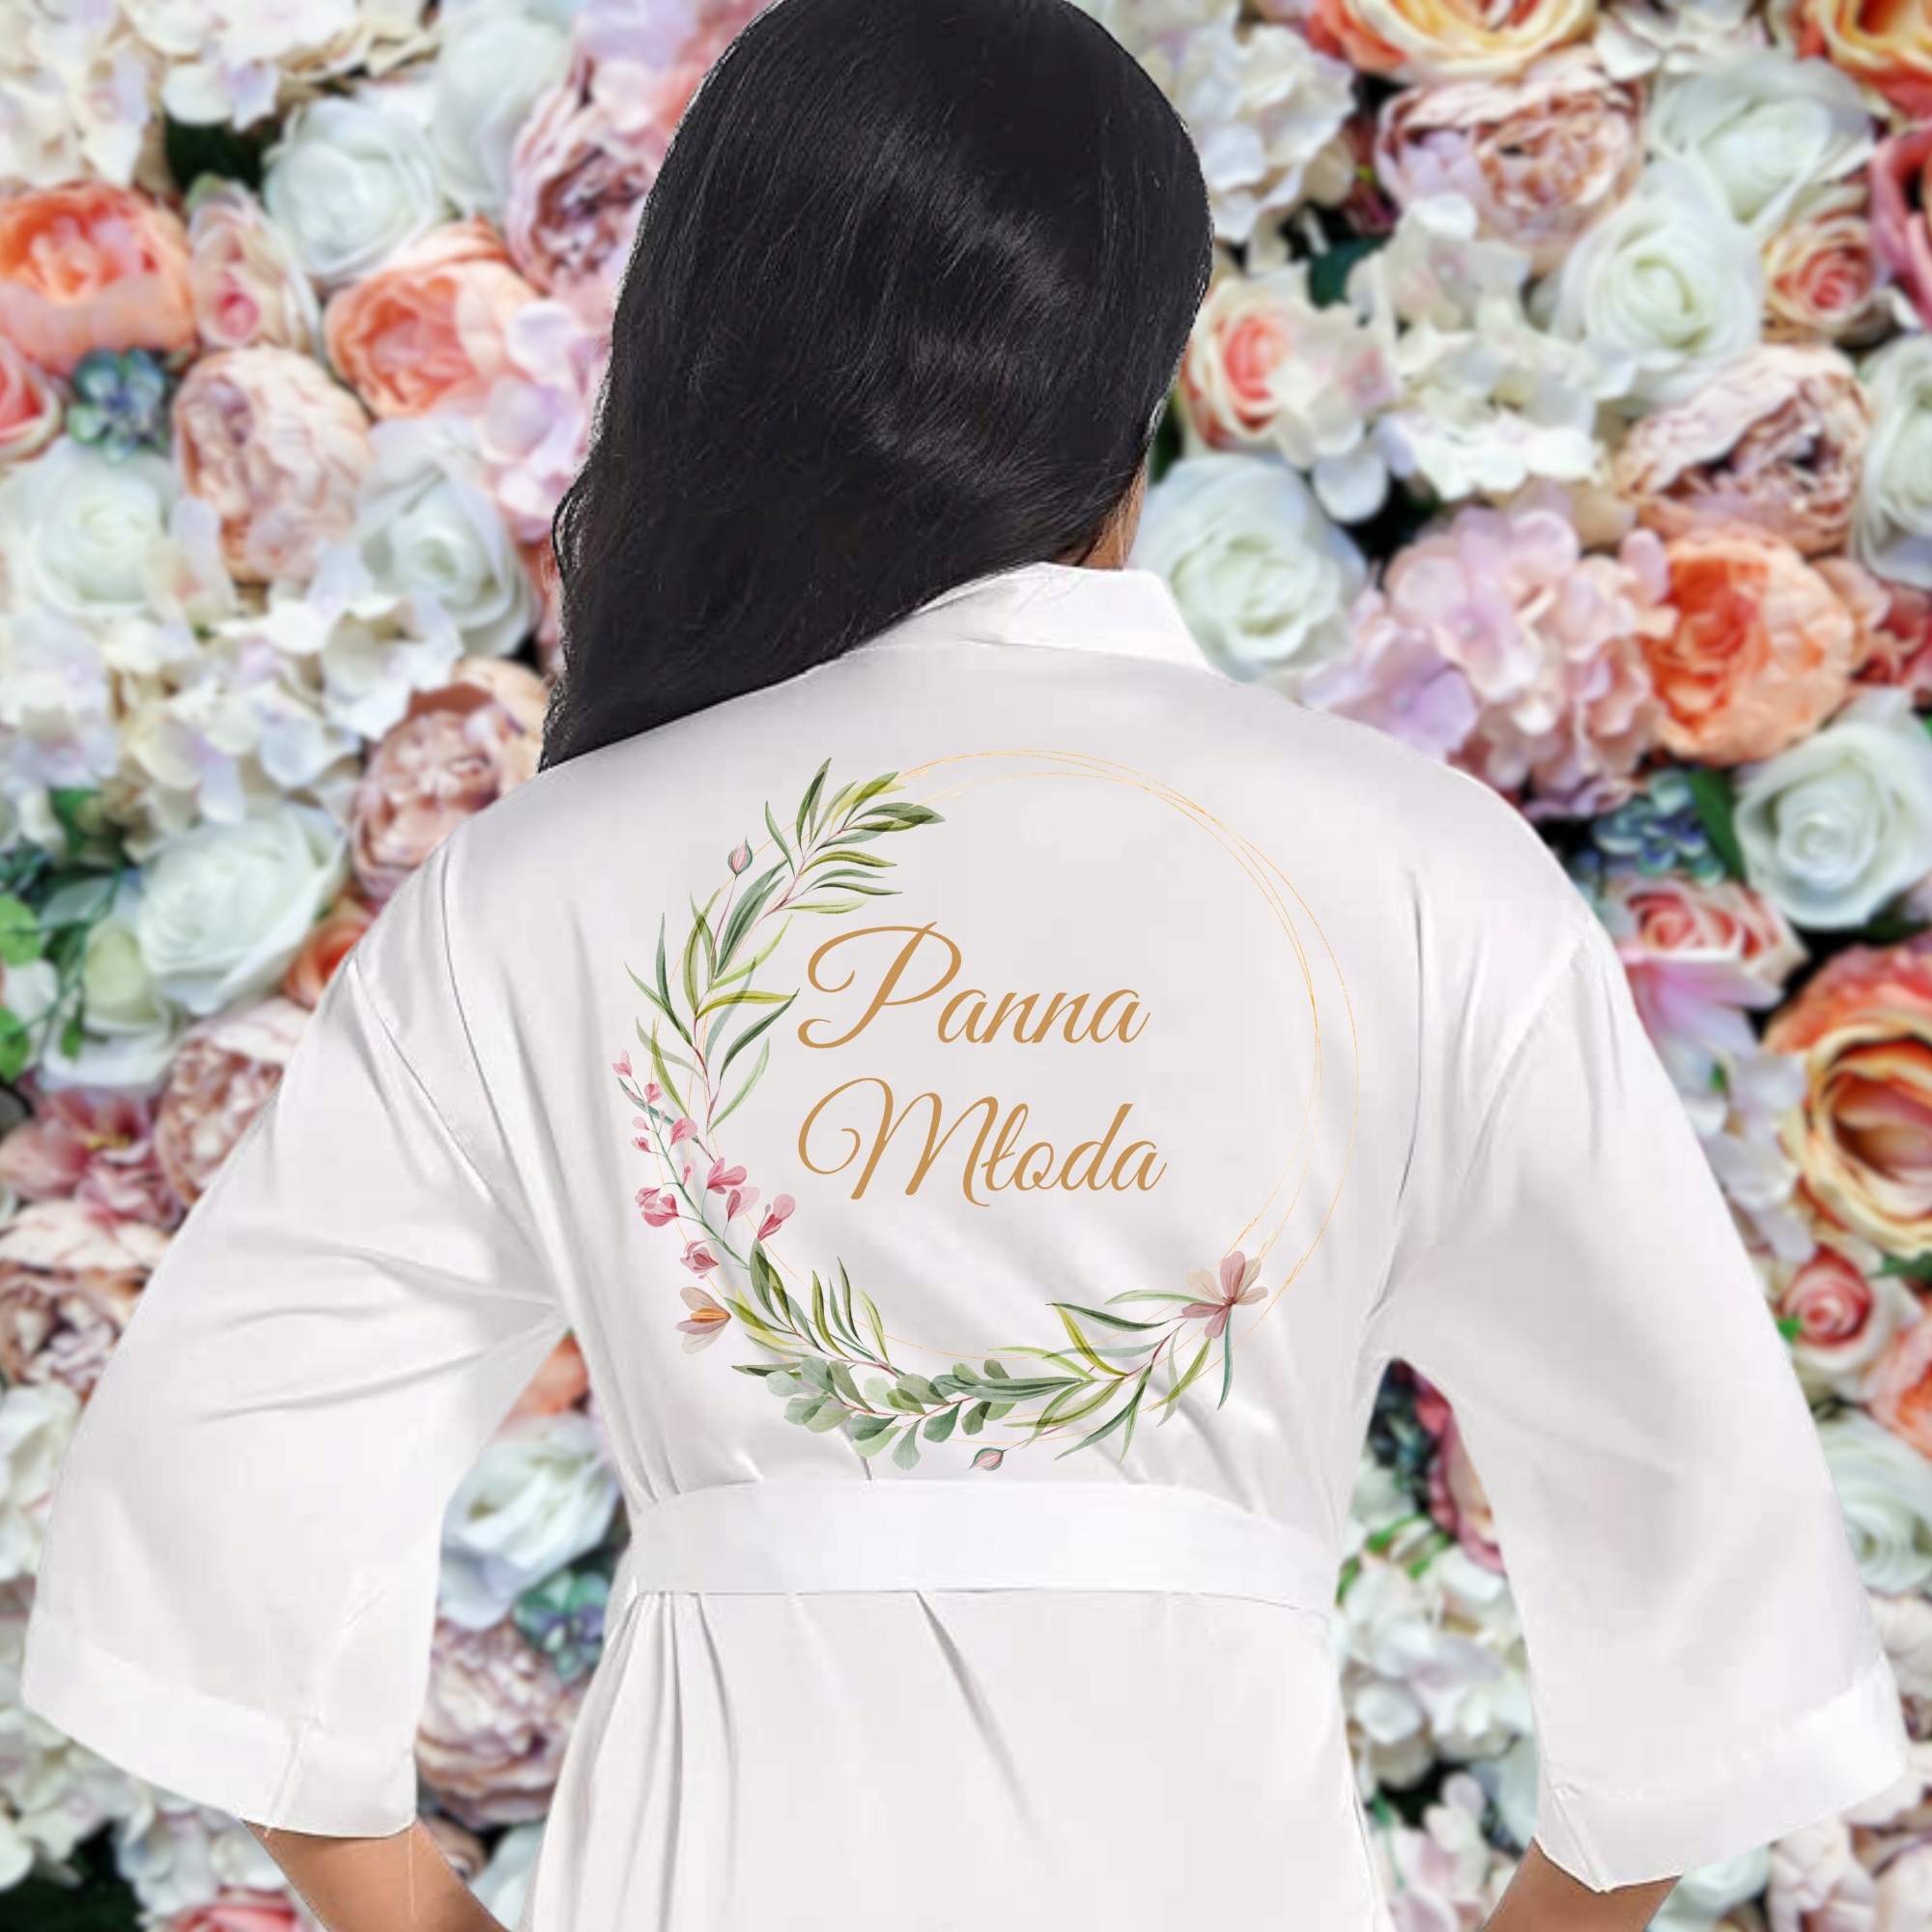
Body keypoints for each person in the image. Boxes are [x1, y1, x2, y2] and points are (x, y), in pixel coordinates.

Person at [18, 1, 1913, 1929]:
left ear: (709, 344)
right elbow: (1707, 1536)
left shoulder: (542, 889)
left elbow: (212, 1500)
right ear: (1146, 367)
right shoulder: (1423, 875)